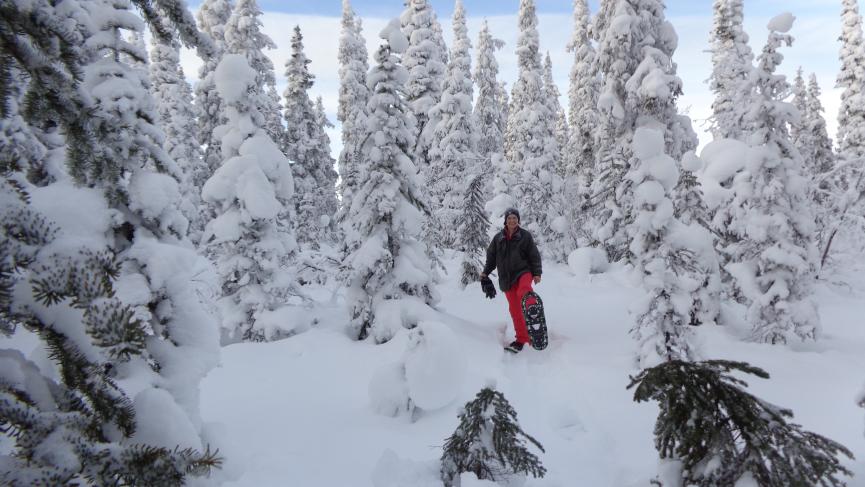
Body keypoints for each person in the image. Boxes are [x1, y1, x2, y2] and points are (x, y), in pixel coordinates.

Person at [480, 208, 542, 353]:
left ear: (518, 220)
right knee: (515, 310)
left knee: (524, 291)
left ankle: (533, 309)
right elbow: (491, 259)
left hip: (523, 272)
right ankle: (523, 339)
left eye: (514, 218)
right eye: (509, 218)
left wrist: (537, 273)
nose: (512, 221)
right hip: (506, 279)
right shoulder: (497, 239)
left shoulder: (525, 236)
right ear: (505, 221)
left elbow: (534, 255)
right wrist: (485, 273)